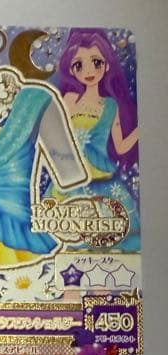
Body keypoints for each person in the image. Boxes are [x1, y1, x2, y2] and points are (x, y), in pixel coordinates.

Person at [56, 28, 140, 251]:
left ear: (107, 65)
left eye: (96, 62)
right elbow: (57, 136)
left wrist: (142, 130)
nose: (89, 71)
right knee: (70, 240)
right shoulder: (69, 100)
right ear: (71, 69)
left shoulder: (111, 105)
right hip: (72, 181)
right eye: (79, 65)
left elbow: (120, 146)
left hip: (103, 180)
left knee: (113, 238)